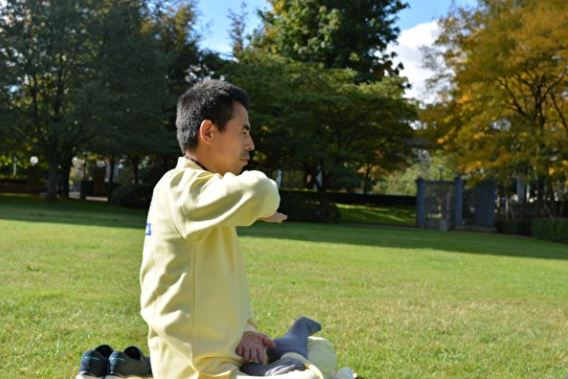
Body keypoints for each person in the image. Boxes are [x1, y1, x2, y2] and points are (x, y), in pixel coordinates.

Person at [140, 79, 293, 378]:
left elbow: (224, 283)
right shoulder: (180, 188)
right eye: (244, 132)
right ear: (208, 132)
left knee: (319, 349)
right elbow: (261, 191)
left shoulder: (206, 198)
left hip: (223, 357)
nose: (251, 144)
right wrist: (258, 206)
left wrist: (246, 330)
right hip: (198, 369)